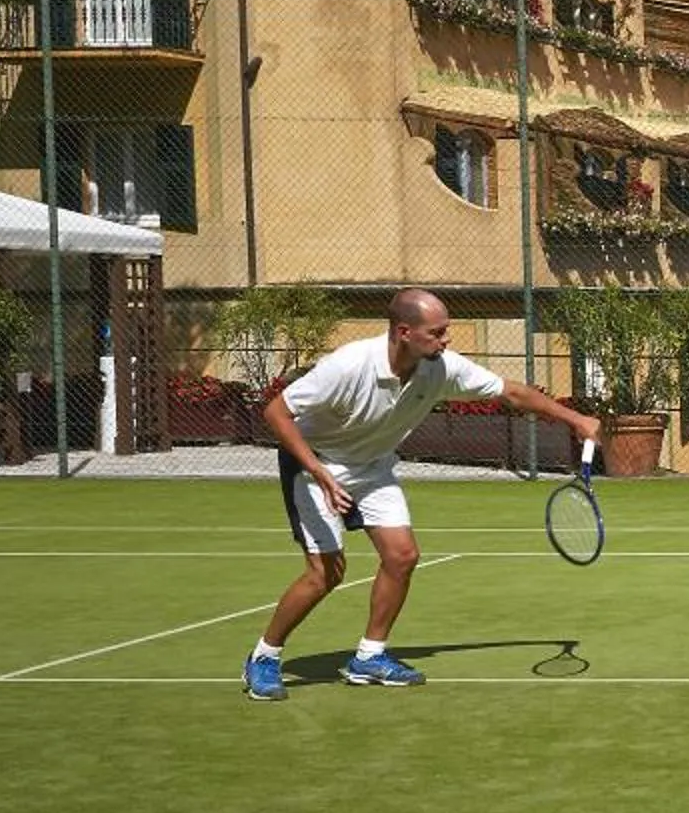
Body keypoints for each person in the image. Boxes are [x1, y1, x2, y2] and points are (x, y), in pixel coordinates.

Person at [244, 289, 599, 699]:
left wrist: (575, 419)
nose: (446, 340)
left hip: (373, 464)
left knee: (402, 556)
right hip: (314, 464)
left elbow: (512, 392)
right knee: (326, 573)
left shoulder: (440, 368)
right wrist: (319, 472)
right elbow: (276, 413)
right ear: (404, 332)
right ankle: (263, 657)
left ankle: (369, 657)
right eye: (437, 332)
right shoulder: (348, 365)